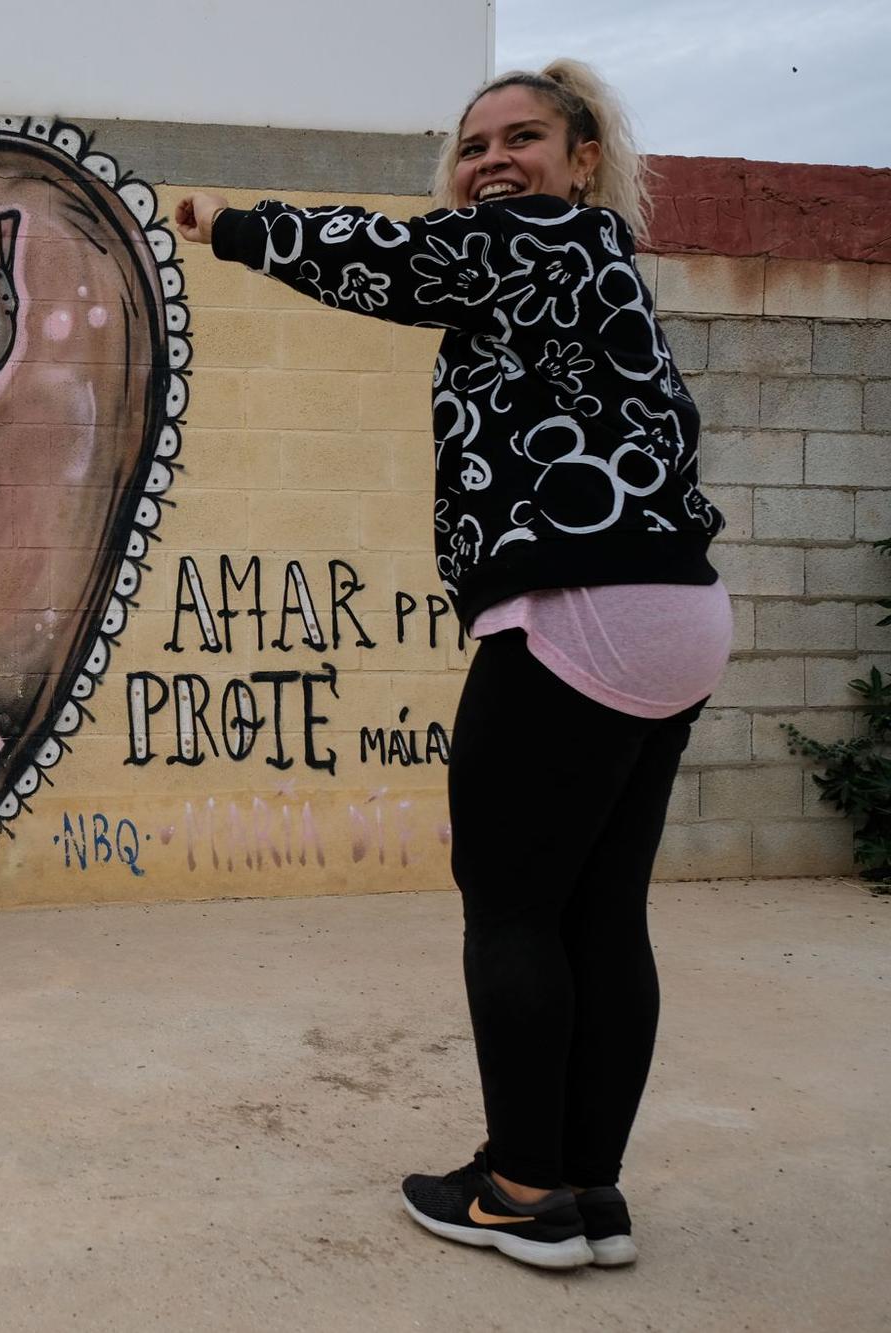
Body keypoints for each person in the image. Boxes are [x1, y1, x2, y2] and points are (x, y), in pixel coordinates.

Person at [175, 60, 731, 1271]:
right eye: (473, 145)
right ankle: (585, 1187)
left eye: (519, 137)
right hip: (673, 605)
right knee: (595, 912)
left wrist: (233, 228)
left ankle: (521, 1191)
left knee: (509, 902)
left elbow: (387, 261)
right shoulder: (597, 267)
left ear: (580, 155)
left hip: (578, 605)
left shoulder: (538, 241)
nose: (490, 162)